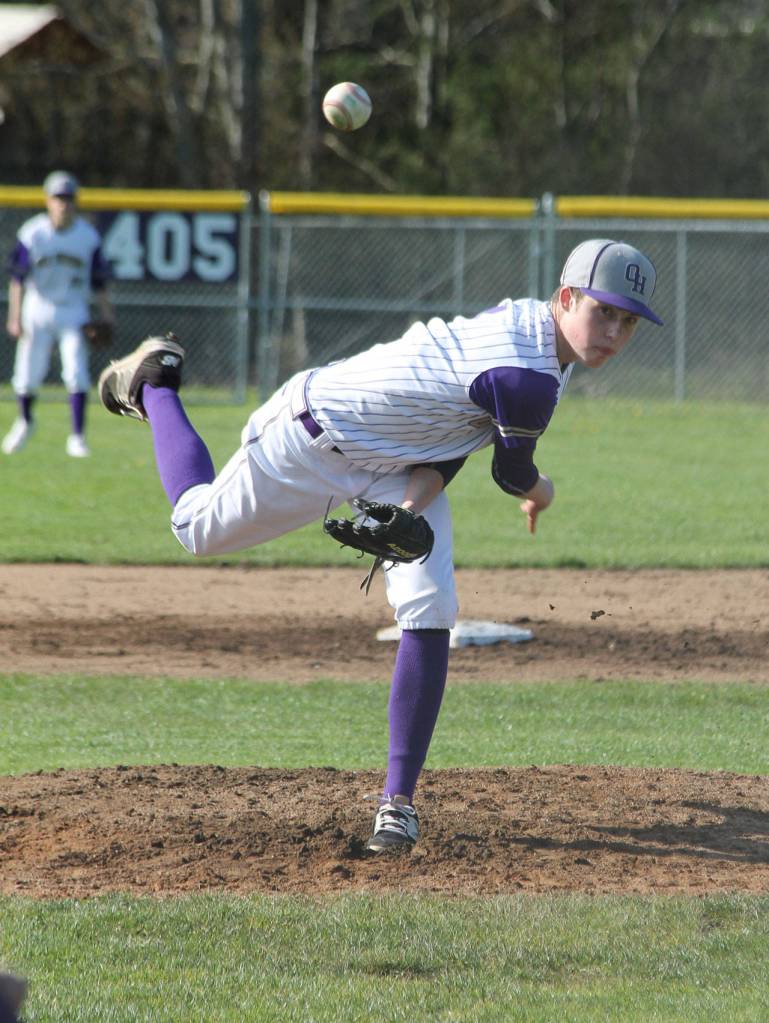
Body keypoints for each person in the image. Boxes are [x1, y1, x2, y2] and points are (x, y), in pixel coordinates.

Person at [97, 238, 663, 851]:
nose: (613, 330)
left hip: (398, 464)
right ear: (565, 298)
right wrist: (542, 492)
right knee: (196, 529)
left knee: (430, 607)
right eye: (602, 311)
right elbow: (511, 474)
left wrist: (408, 509)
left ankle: (397, 803)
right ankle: (156, 381)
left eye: (627, 321)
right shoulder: (527, 373)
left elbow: (450, 439)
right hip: (312, 439)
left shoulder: (539, 335)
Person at [2, 170, 114, 457]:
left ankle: (77, 437)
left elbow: (100, 280)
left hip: (73, 308)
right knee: (26, 373)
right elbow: (17, 277)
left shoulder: (87, 237)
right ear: (48, 201)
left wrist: (106, 313)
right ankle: (25, 422)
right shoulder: (33, 232)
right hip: (37, 306)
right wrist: (14, 316)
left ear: (75, 202)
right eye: (58, 197)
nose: (63, 203)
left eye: (68, 198)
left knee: (76, 373)